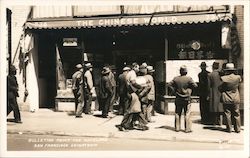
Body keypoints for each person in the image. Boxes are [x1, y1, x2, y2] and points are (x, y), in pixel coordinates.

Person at [168, 65, 198, 133]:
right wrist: (189, 90)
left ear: (180, 71)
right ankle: (187, 128)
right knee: (187, 113)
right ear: (186, 72)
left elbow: (169, 85)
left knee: (177, 113)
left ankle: (177, 128)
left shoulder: (176, 79)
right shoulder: (189, 79)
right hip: (187, 98)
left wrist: (174, 91)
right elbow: (195, 86)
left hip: (178, 98)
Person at [219, 63, 241, 133]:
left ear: (227, 70)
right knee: (236, 113)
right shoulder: (238, 77)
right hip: (236, 98)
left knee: (227, 113)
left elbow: (220, 88)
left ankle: (229, 129)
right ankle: (237, 129)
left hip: (226, 97)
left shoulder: (224, 78)